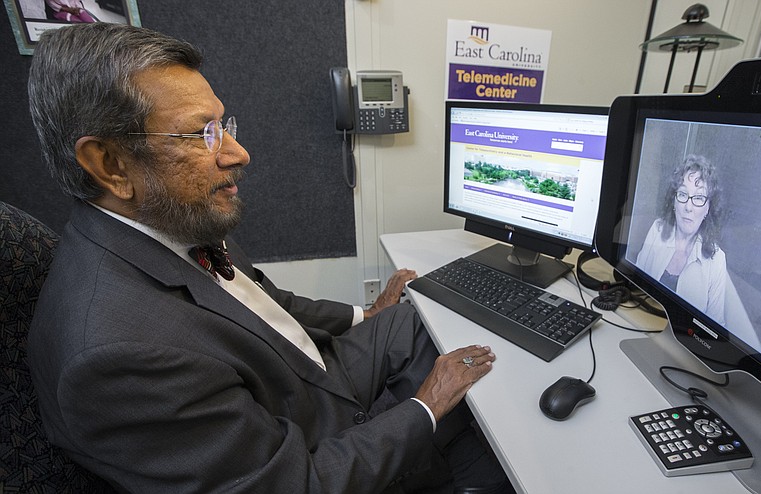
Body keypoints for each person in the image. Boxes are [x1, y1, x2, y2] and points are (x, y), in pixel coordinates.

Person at [27, 23, 512, 493]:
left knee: (411, 321)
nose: (239, 153)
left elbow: (265, 301)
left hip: (311, 371)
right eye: (200, 135)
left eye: (222, 126)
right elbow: (296, 483)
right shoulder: (118, 357)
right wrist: (427, 405)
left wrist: (368, 312)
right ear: (110, 165)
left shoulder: (168, 224)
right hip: (310, 436)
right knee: (500, 458)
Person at [636, 154, 727, 323]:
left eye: (699, 198)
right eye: (683, 194)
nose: (688, 207)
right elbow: (634, 286)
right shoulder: (657, 229)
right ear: (674, 201)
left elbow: (715, 326)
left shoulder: (717, 259)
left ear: (708, 208)